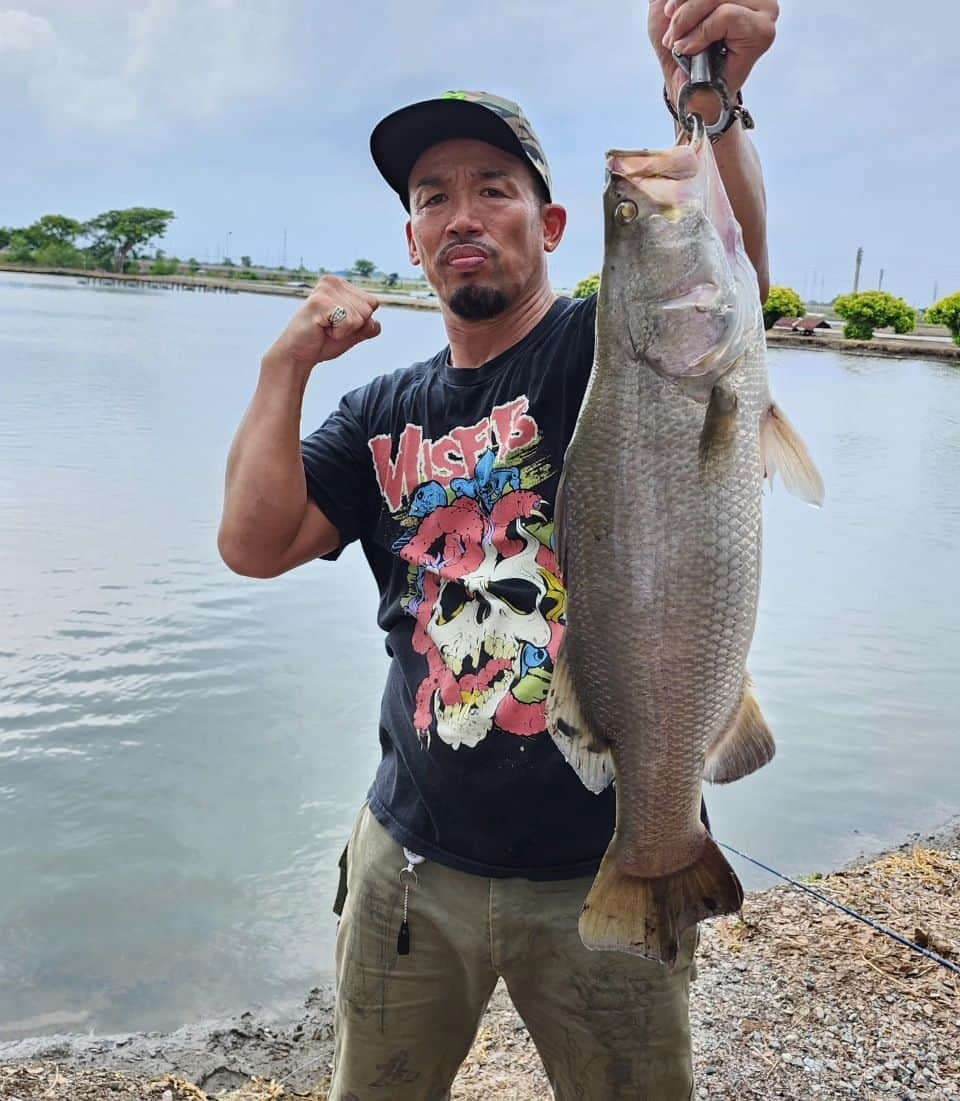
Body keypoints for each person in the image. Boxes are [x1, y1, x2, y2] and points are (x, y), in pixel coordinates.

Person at [219, 3, 779, 1096]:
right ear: (413, 239)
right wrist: (283, 368)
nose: (462, 213)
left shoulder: (610, 346)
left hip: (599, 857)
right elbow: (254, 544)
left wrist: (706, 95)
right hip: (411, 858)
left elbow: (726, 254)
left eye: (494, 187)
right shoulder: (379, 411)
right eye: (434, 197)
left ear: (553, 222)